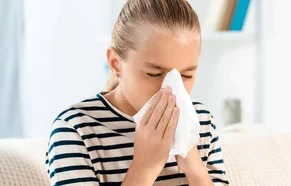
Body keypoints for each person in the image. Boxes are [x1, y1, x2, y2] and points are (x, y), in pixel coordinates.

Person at [45, 0, 229, 185]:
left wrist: (196, 172)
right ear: (116, 63)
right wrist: (145, 168)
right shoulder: (76, 130)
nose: (173, 90)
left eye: (187, 75)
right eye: (154, 74)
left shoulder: (201, 121)